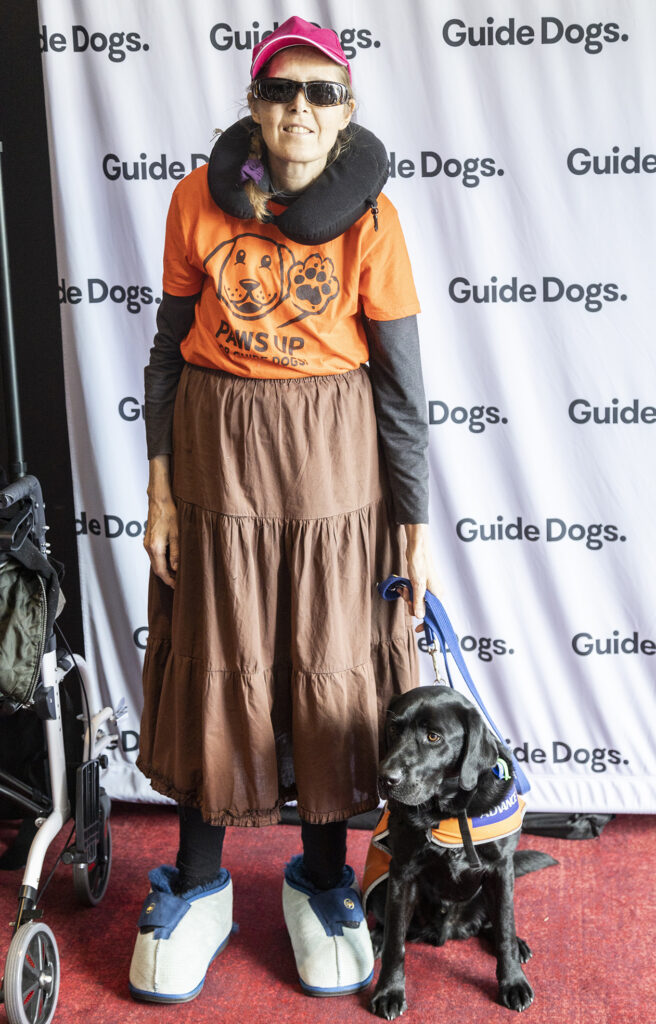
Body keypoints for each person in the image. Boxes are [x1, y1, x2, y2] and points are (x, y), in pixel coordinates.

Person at [129, 15, 437, 1004]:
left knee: (323, 660)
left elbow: (399, 386)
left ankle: (319, 877)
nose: (296, 109)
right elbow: (167, 354)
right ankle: (198, 878)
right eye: (279, 91)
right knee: (221, 656)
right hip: (217, 465)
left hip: (333, 471)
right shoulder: (194, 202)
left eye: (318, 93)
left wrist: (413, 525)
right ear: (252, 105)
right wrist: (160, 487)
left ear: (344, 113)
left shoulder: (375, 222)